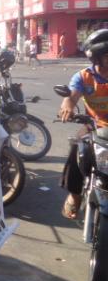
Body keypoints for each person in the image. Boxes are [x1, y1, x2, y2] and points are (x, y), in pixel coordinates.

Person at [59, 29, 108, 219]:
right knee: (77, 150)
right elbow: (71, 98)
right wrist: (68, 107)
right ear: (97, 57)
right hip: (94, 126)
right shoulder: (83, 76)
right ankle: (74, 195)